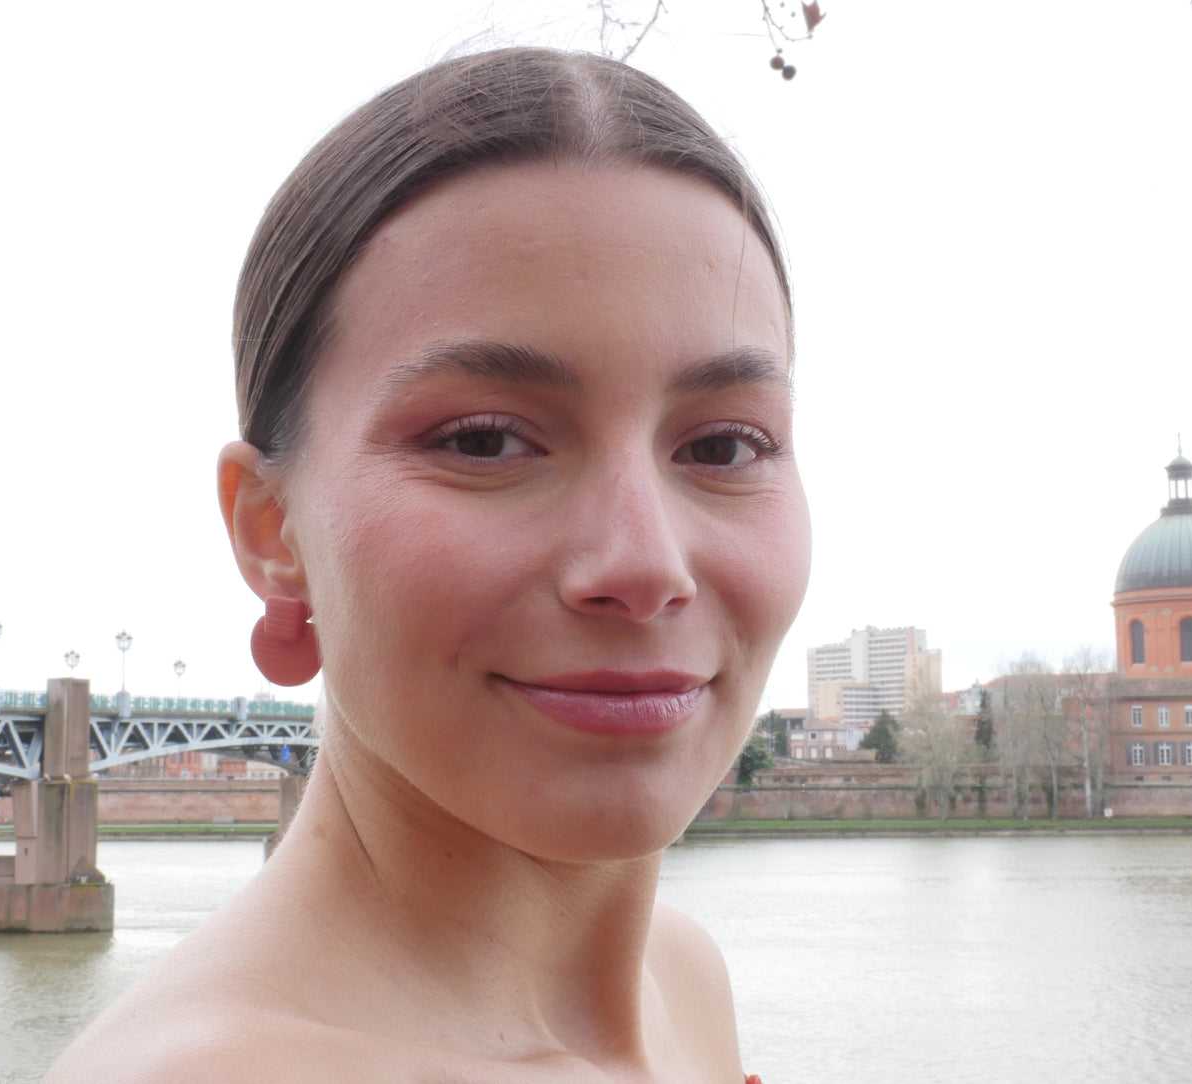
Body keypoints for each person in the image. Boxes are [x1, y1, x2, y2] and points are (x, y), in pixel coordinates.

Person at [47, 46, 808, 1082]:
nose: (643, 563)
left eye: (722, 445)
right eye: (485, 440)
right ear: (273, 533)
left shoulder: (681, 980)